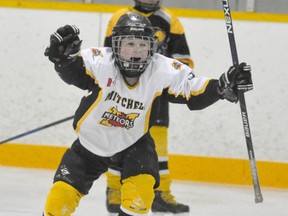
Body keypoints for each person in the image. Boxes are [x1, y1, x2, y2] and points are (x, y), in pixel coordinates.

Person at [43, 12, 252, 216]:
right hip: (91, 143)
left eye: (143, 45)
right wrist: (62, 59)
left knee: (140, 197)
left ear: (152, 47)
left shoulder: (161, 69)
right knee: (59, 201)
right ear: (116, 45)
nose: (136, 51)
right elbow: (74, 72)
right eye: (130, 44)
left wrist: (222, 85)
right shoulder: (100, 61)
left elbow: (192, 89)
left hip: (133, 144)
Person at [103, 1, 194, 214]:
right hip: (124, 95)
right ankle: (115, 189)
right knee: (119, 142)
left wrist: (167, 76)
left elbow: (184, 60)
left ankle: (160, 193)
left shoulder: (170, 20)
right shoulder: (120, 16)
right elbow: (108, 56)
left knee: (158, 148)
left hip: (156, 96)